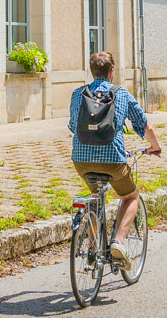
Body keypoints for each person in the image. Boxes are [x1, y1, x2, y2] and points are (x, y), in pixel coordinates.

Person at [68, 50, 161, 266]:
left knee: (94, 197)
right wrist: (155, 146)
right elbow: (144, 125)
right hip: (113, 161)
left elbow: (73, 126)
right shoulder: (121, 94)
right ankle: (118, 242)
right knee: (130, 196)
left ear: (92, 72)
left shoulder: (77, 94)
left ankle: (93, 249)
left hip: (81, 161)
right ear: (112, 72)